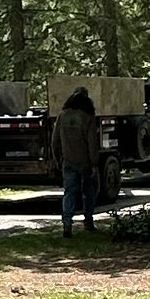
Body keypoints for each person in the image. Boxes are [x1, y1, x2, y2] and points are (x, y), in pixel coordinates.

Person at [54, 85, 101, 236]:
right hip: (85, 162)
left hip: (67, 161)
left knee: (69, 192)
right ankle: (88, 221)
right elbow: (92, 143)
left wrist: (57, 159)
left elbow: (54, 140)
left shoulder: (62, 115)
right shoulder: (88, 117)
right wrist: (94, 164)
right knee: (88, 192)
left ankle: (67, 224)